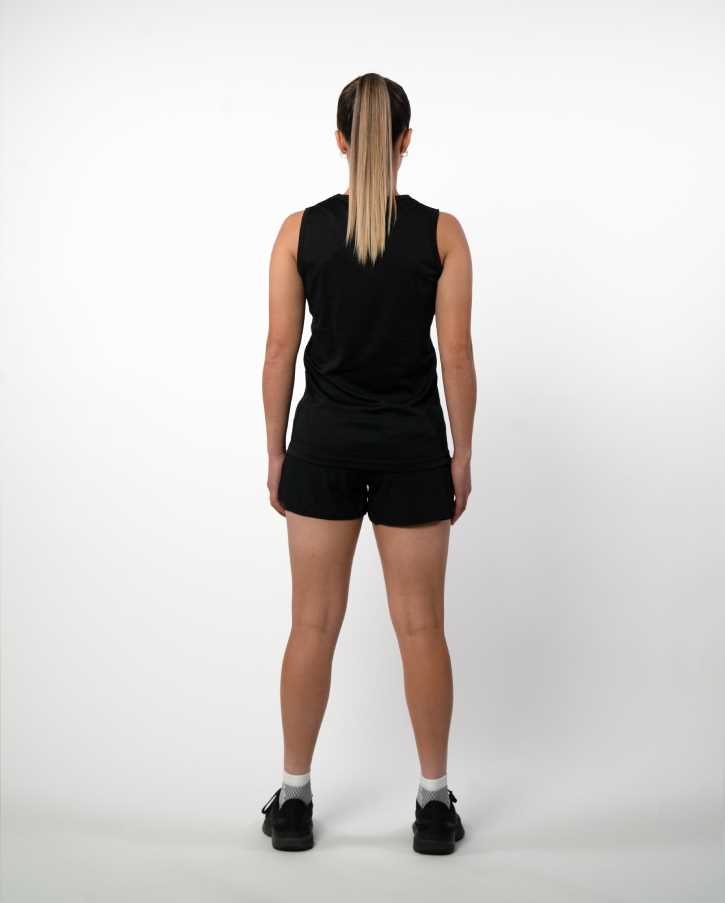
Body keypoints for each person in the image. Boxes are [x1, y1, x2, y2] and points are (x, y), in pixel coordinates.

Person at [261, 72, 476, 855]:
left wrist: (276, 451)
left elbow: (279, 350)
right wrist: (460, 455)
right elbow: (456, 355)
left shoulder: (298, 232)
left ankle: (292, 800)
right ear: (405, 141)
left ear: (342, 141)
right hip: (412, 450)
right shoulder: (442, 234)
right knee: (421, 627)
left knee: (310, 624)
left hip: (321, 446)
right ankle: (432, 804)